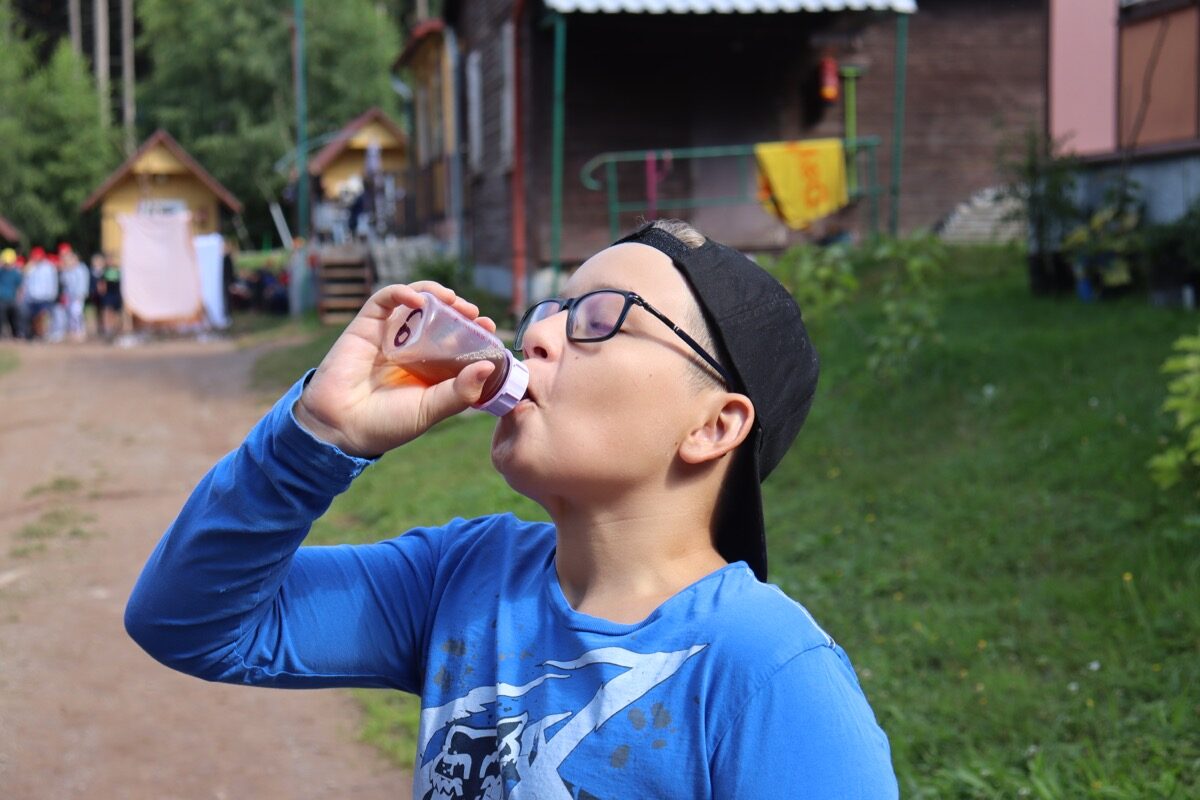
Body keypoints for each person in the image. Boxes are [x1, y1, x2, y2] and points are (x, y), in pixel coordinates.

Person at [125, 219, 898, 798]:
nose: (539, 334)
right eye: (553, 308)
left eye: (600, 317)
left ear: (713, 426)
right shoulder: (461, 580)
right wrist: (317, 438)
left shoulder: (772, 676)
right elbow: (188, 621)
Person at [21, 246, 58, 340]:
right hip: (32, 297)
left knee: (43, 317)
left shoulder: (48, 267)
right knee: (33, 317)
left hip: (45, 297)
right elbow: (25, 281)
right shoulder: (30, 267)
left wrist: (52, 294)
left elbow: (53, 282)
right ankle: (35, 334)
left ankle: (43, 334)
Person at [58, 244, 91, 342]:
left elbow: (83, 283)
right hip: (69, 295)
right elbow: (64, 282)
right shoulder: (68, 270)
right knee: (70, 313)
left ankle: (80, 331)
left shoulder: (81, 269)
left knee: (76, 312)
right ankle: (74, 331)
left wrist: (82, 294)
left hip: (78, 295)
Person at [0, 248, 22, 339]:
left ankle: (16, 334)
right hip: (1, 299)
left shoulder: (16, 273)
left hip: (12, 299)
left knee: (15, 318)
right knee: (1, 318)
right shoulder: (1, 272)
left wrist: (19, 298)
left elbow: (20, 287)